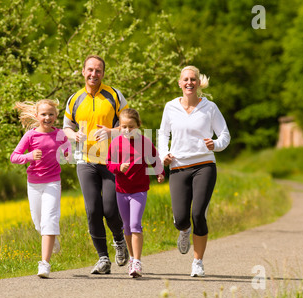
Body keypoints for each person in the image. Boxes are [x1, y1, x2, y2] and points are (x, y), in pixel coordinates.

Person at [158, 66, 230, 277]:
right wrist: (164, 155)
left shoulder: (210, 107)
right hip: (178, 166)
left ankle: (197, 262)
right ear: (180, 83)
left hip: (204, 165)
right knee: (181, 218)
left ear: (199, 83)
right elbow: (163, 135)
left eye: (193, 79)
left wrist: (214, 145)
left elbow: (224, 135)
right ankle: (184, 230)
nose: (189, 83)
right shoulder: (170, 107)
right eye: (185, 79)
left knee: (198, 214)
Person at [63, 55, 129, 274]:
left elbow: (131, 126)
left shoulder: (114, 95)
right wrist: (74, 136)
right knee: (92, 210)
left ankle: (119, 240)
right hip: (85, 160)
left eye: (98, 70)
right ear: (83, 71)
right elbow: (66, 127)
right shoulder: (74, 99)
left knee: (110, 209)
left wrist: (111, 131)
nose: (93, 74)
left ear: (103, 73)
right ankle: (103, 259)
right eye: (90, 70)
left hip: (111, 160)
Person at [11, 99, 71, 278]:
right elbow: (14, 157)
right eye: (44, 114)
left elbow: (68, 149)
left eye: (51, 114)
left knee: (50, 219)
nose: (47, 117)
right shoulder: (30, 135)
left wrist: (68, 155)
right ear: (37, 116)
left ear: (56, 116)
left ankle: (44, 263)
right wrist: (29, 156)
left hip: (53, 182)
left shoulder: (60, 134)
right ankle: (52, 240)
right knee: (38, 222)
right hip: (34, 184)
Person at [107, 108, 165, 278]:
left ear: (138, 126)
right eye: (123, 127)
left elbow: (155, 157)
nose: (127, 130)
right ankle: (132, 258)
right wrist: (119, 168)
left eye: (131, 127)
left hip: (139, 190)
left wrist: (160, 172)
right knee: (126, 227)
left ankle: (137, 261)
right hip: (121, 190)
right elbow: (109, 164)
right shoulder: (116, 143)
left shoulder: (145, 142)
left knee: (135, 225)